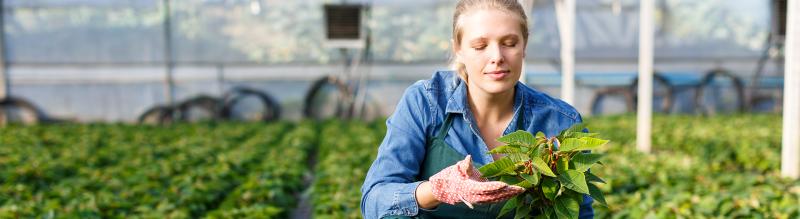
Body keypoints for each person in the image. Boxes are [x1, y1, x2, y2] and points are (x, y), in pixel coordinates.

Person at [360, 0, 594, 218]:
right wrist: (436, 190)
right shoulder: (427, 102)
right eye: (480, 46)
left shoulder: (560, 121)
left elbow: (578, 212)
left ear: (524, 46)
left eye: (509, 43)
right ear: (458, 49)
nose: (497, 57)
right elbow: (373, 200)